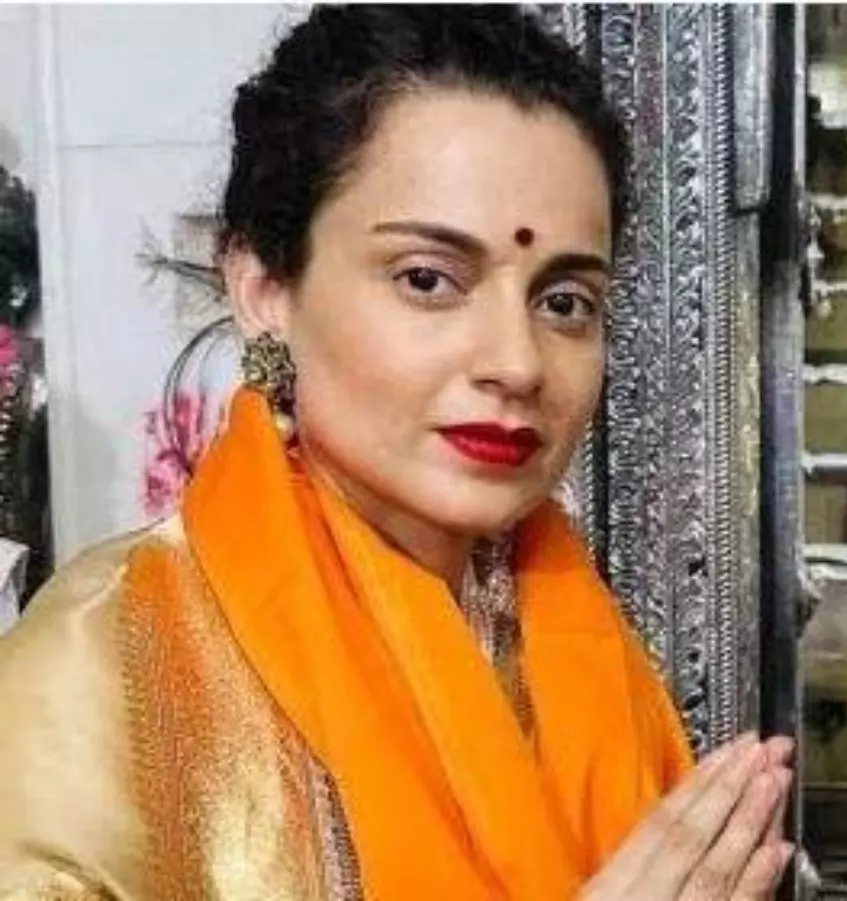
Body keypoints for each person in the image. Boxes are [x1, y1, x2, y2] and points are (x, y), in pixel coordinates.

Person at [0, 7, 793, 899]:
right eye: (428, 280)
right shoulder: (103, 670)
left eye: (565, 301)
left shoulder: (585, 659)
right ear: (265, 288)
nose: (518, 362)